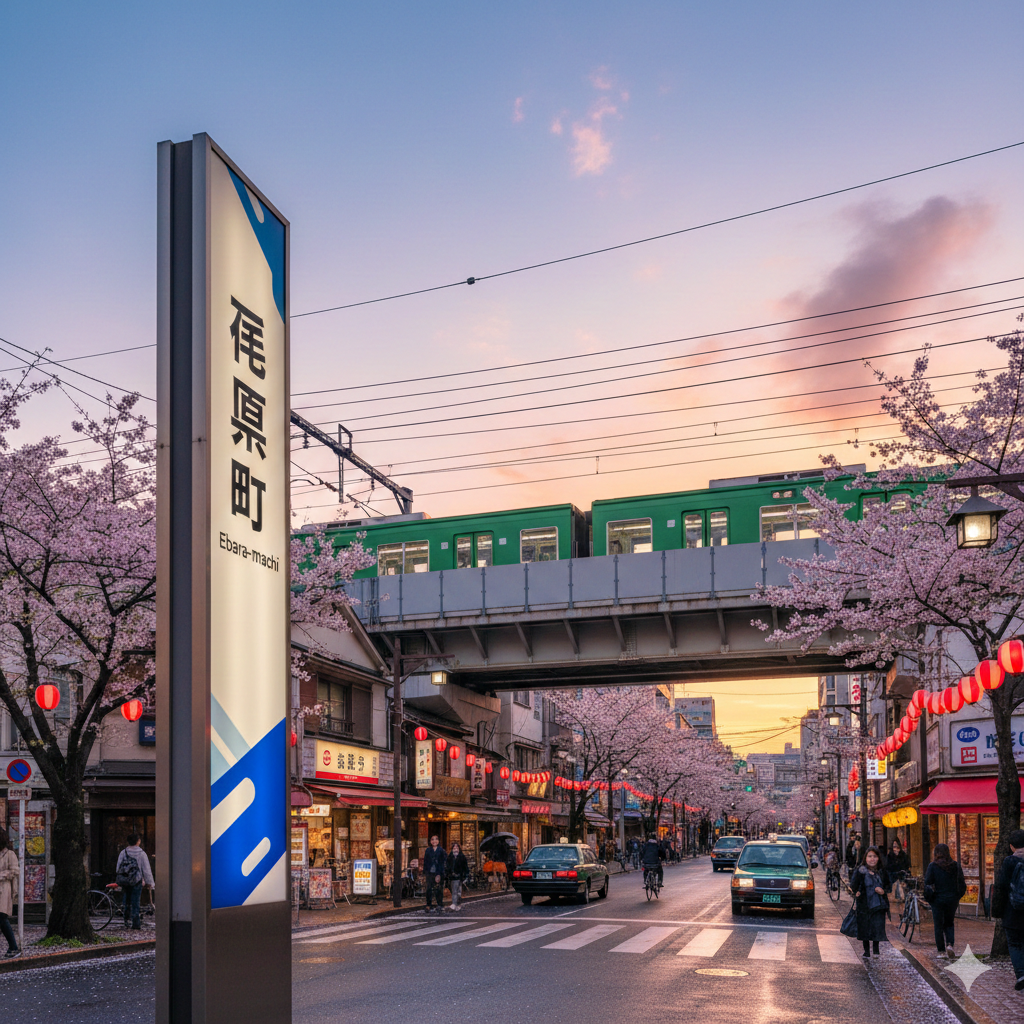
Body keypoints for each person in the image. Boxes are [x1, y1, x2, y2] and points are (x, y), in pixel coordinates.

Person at [990, 828, 1024, 990]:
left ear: (1011, 846)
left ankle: (1021, 975)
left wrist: (996, 910)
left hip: (1012, 911)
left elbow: (1001, 887)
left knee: (1015, 944)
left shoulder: (1009, 862)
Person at [923, 843, 967, 960]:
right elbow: (962, 884)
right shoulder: (955, 866)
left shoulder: (932, 866)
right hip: (952, 899)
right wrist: (957, 896)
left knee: (938, 925)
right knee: (949, 923)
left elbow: (927, 882)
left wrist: (930, 898)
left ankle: (941, 951)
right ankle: (950, 945)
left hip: (937, 900)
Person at [850, 846, 890, 958]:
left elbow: (888, 885)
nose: (872, 859)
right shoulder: (860, 871)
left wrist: (883, 891)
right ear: (866, 858)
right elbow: (853, 885)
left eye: (874, 856)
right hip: (864, 904)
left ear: (878, 858)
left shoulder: (882, 871)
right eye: (870, 856)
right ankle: (866, 950)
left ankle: (876, 950)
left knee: (877, 926)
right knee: (865, 927)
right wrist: (856, 892)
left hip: (878, 904)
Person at [115, 832, 154, 930]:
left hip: (126, 881)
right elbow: (146, 870)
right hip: (137, 881)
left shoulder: (123, 852)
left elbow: (118, 868)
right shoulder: (142, 854)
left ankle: (126, 919)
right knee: (135, 901)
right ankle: (136, 923)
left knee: (127, 900)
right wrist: (150, 883)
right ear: (138, 841)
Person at [0, 829, 19, 959]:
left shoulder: (9, 854)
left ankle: (14, 947)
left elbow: (14, 871)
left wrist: (2, 875)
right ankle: (13, 947)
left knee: (2, 917)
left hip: (3, 889)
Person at [422, 835, 447, 914]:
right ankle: (429, 904)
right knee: (429, 888)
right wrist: (425, 871)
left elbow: (443, 862)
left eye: (436, 839)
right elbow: (425, 861)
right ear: (430, 841)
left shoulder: (441, 851)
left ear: (438, 841)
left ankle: (440, 904)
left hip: (439, 872)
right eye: (432, 839)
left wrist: (440, 873)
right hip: (430, 872)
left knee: (438, 889)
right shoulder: (428, 850)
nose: (434, 841)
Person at [446, 841, 469, 911]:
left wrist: (465, 876)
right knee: (454, 891)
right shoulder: (450, 857)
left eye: (457, 847)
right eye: (454, 847)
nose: (455, 848)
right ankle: (454, 903)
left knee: (458, 891)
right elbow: (447, 866)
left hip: (460, 876)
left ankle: (457, 903)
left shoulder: (462, 857)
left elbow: (465, 867)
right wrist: (448, 874)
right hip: (453, 877)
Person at [887, 838, 910, 902]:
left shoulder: (903, 855)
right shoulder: (890, 856)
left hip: (902, 876)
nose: (896, 849)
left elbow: (906, 865)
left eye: (897, 847)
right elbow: (888, 867)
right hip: (893, 877)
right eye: (894, 847)